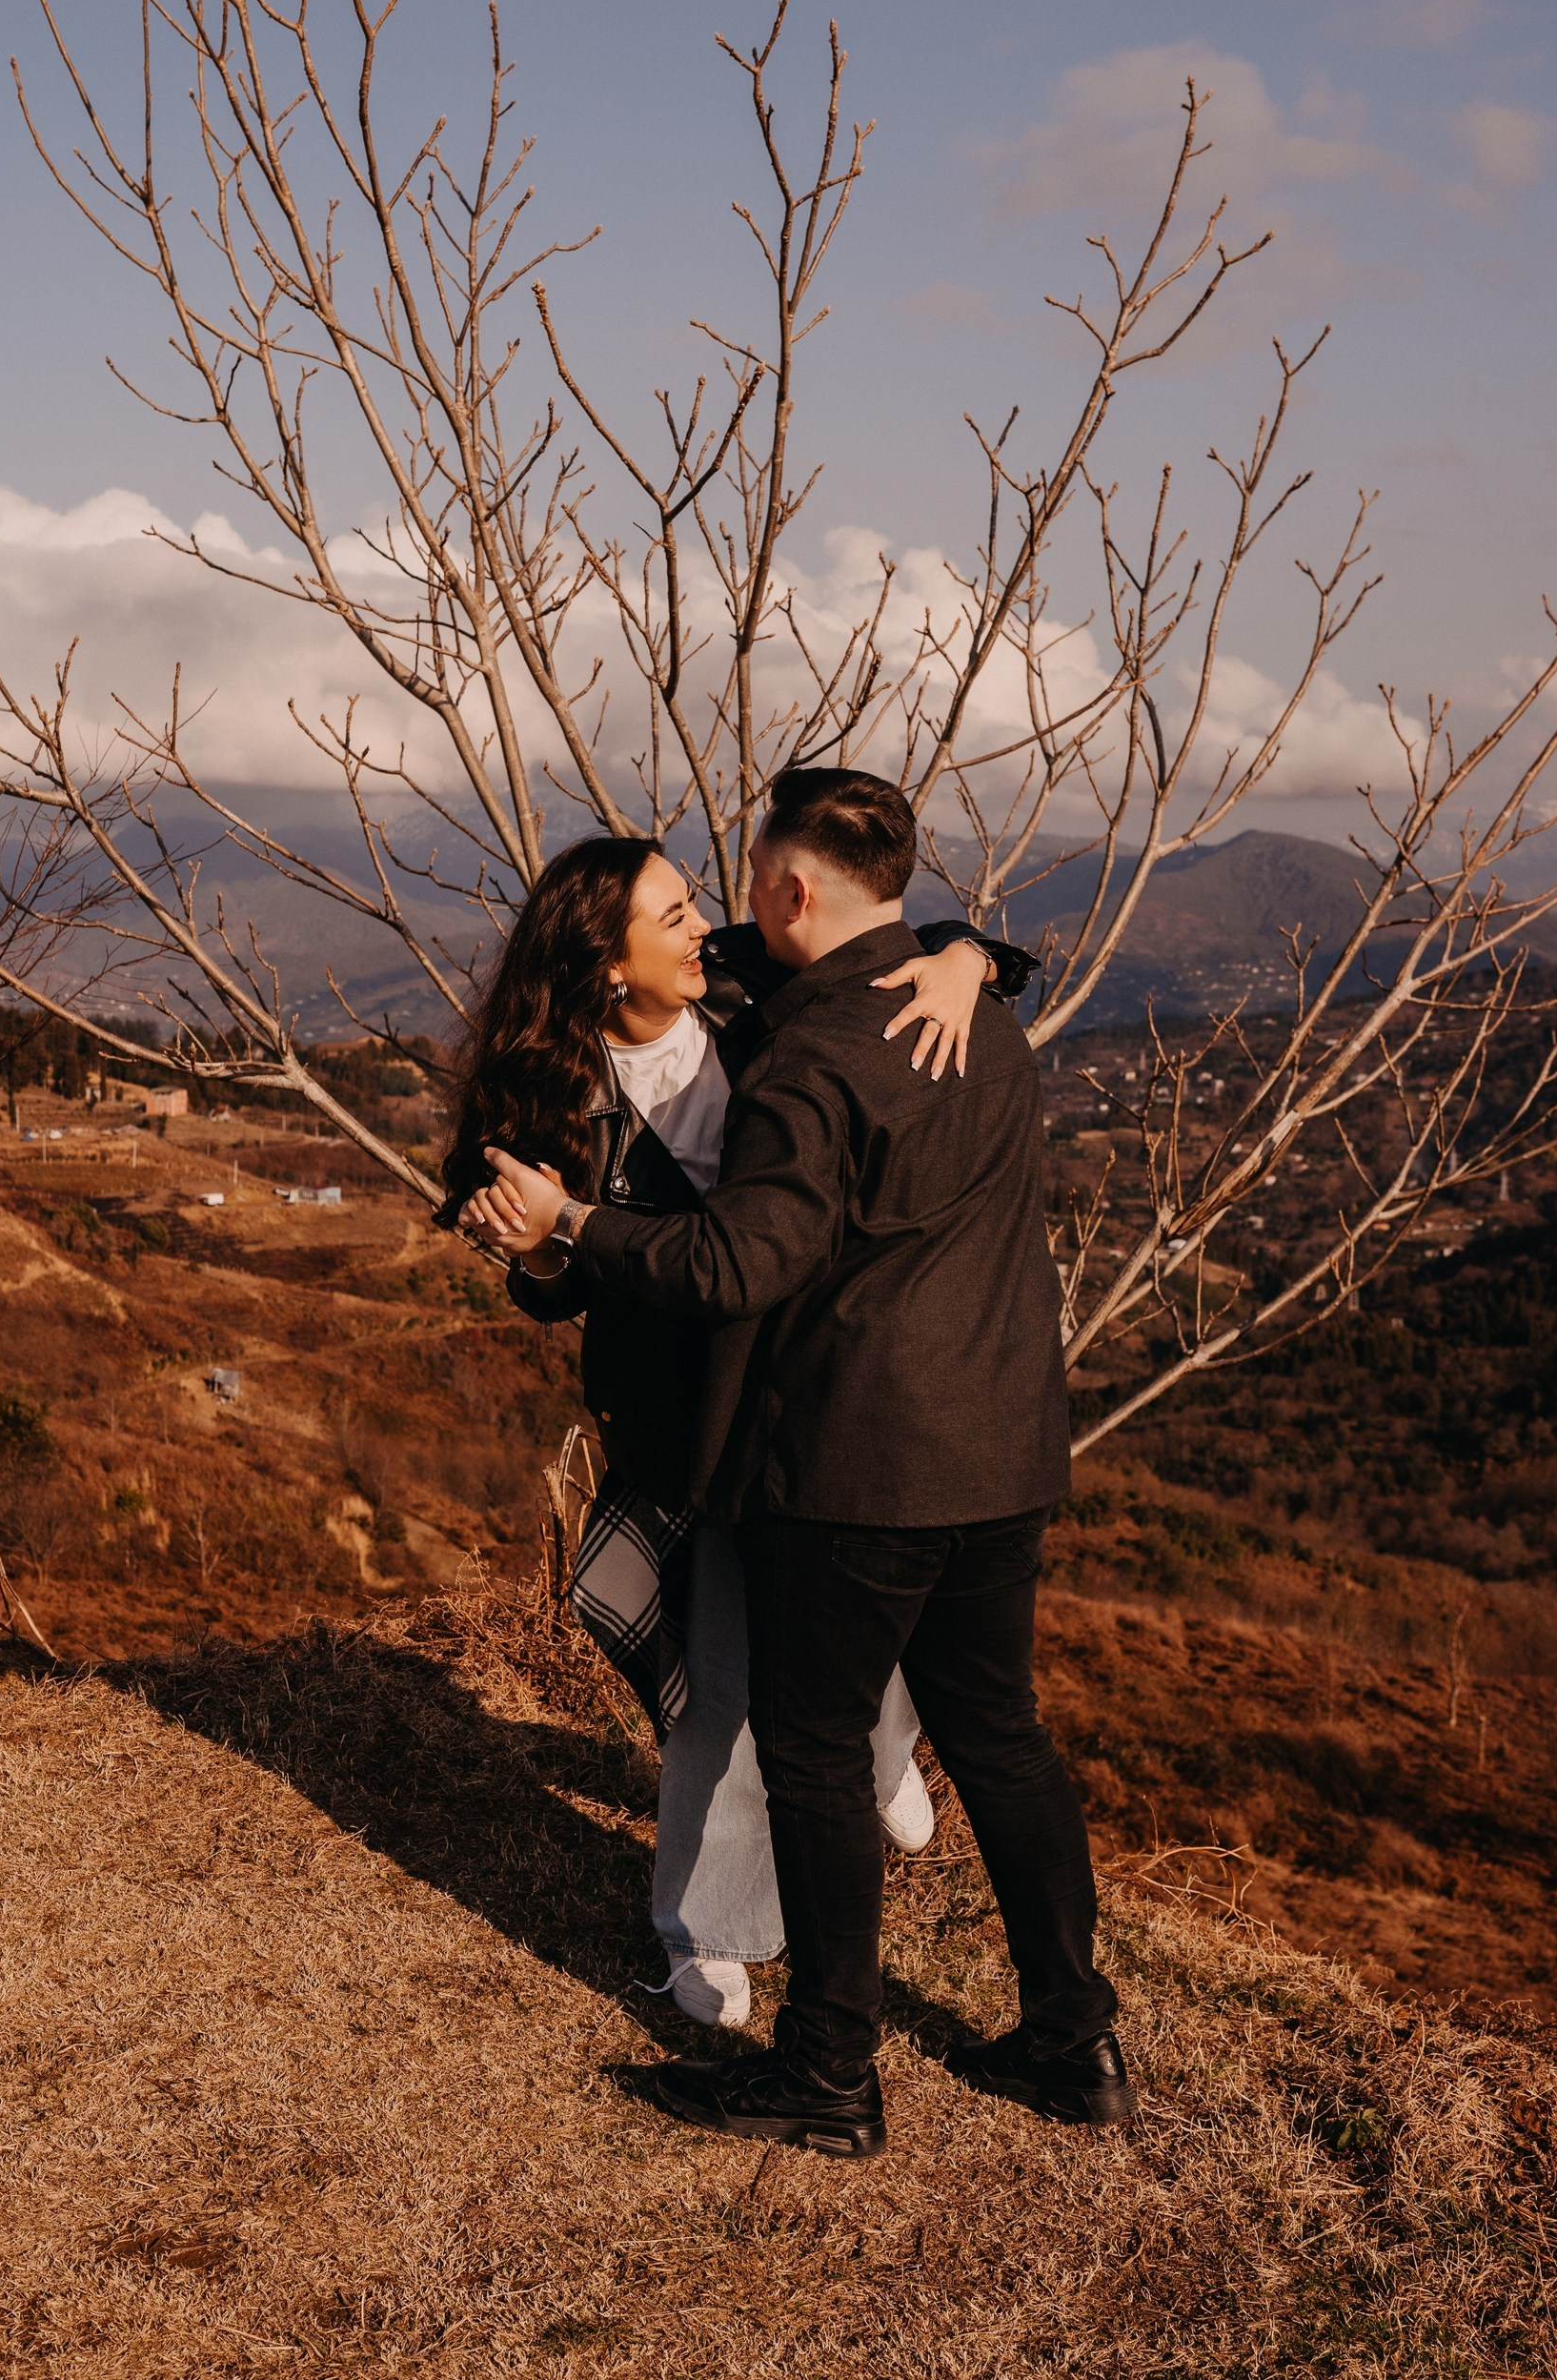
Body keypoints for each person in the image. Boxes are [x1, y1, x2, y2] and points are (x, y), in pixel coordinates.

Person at [474, 768, 1128, 2156]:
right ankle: (1077, 2040)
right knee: (1001, 1735)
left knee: (815, 1753)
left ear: (788, 891)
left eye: (738, 884)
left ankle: (829, 2068)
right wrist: (967, 953)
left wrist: (580, 1232)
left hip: (861, 1466)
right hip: (1006, 1447)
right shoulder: (984, 1018)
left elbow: (737, 1260)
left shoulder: (813, 1055)